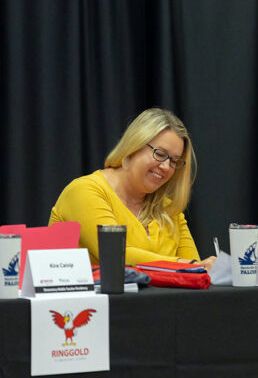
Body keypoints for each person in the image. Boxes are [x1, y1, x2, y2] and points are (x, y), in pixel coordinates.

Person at [49, 108, 217, 271]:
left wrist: (204, 267)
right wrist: (189, 265)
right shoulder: (84, 191)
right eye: (159, 154)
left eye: (174, 161)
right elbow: (116, 255)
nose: (166, 167)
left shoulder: (170, 209)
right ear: (133, 146)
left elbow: (195, 271)